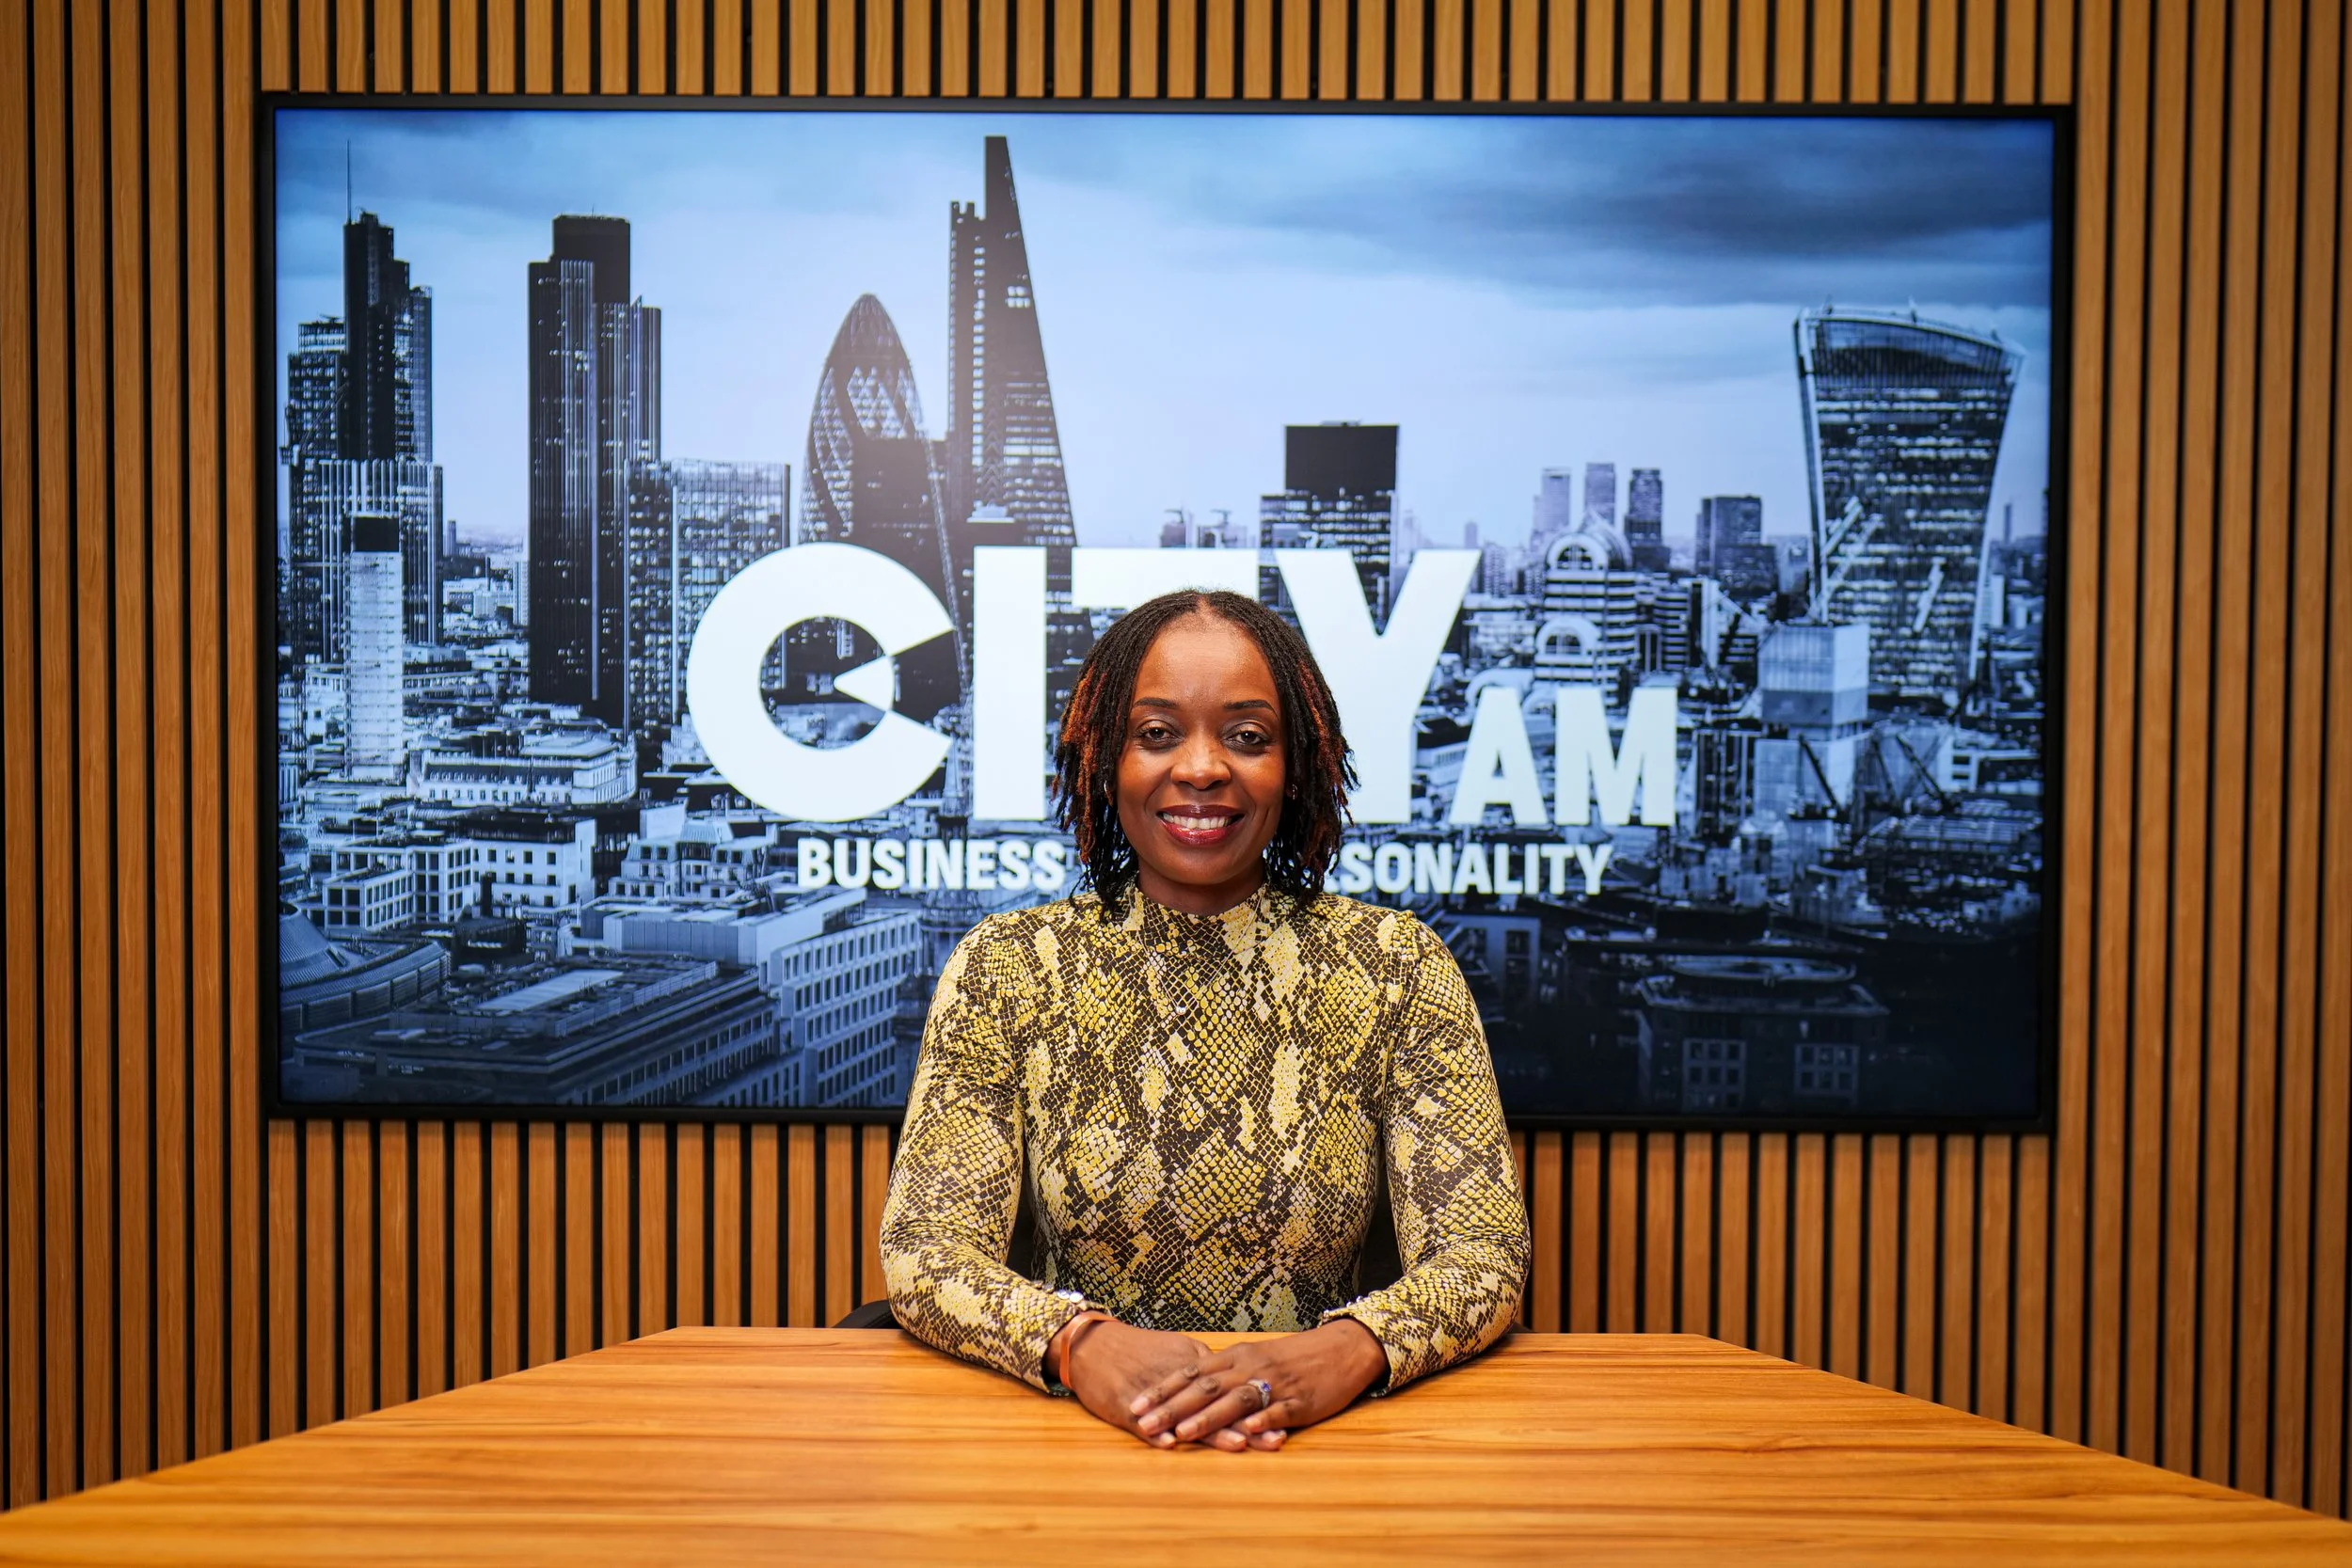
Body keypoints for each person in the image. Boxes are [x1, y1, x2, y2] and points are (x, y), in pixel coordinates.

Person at [880, 588, 1530, 1451]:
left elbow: (1482, 1254)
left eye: (1248, 737)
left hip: (1323, 1449)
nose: (1201, 768)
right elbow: (926, 1251)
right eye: (1157, 734)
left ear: (1297, 764)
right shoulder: (1007, 966)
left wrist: (1348, 1349)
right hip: (1069, 1446)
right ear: (1104, 760)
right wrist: (1078, 1345)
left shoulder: (1398, 966)